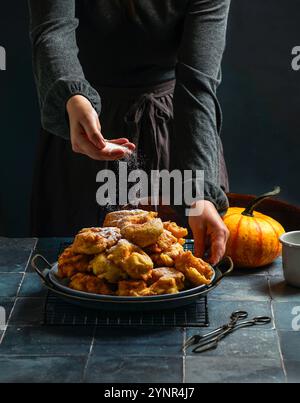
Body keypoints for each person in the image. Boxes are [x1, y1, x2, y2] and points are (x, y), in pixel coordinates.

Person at [28, 0, 230, 265]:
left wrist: (199, 194)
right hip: (82, 127)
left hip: (175, 137)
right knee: (73, 268)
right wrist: (72, 95)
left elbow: (197, 84)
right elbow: (52, 31)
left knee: (170, 269)